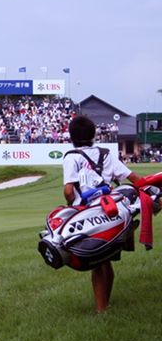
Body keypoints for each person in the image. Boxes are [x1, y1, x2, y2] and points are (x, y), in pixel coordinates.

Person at [62, 116, 142, 313]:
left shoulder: (71, 157)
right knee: (106, 259)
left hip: (88, 214)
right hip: (110, 210)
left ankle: (102, 310)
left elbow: (69, 190)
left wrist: (70, 205)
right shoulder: (106, 154)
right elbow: (132, 177)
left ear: (71, 136)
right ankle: (106, 303)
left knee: (97, 262)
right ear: (94, 135)